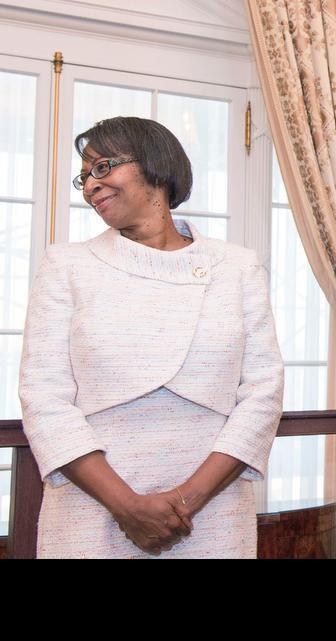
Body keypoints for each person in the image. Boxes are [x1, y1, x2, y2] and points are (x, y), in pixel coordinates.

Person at [19, 116, 284, 558]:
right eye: (83, 177)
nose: (89, 186)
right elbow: (43, 397)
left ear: (155, 165)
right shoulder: (66, 265)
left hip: (209, 513)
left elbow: (263, 394)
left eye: (102, 168)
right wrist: (128, 507)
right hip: (93, 510)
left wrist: (186, 502)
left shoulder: (237, 267)